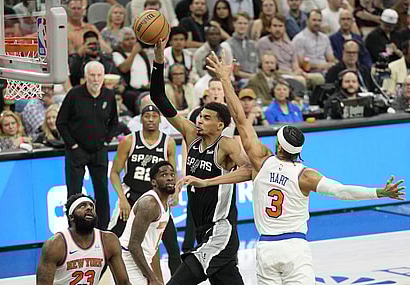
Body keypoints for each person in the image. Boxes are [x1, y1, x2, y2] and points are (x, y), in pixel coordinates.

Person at [193, 51, 405, 284]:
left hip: (266, 247)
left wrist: (225, 79)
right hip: (294, 247)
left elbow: (240, 118)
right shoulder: (306, 176)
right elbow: (341, 191)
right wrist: (379, 192)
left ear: (278, 145)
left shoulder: (261, 161)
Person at [149, 38, 252, 285]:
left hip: (221, 231)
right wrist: (159, 59)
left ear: (220, 124)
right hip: (202, 231)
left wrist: (208, 182)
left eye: (206, 117)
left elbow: (249, 170)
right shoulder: (190, 134)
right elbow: (158, 96)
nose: (199, 120)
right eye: (200, 116)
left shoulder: (226, 145)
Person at [109, 104, 181, 275]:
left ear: (160, 119)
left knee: (173, 247)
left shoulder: (168, 142)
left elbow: (174, 172)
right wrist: (122, 199)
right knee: (111, 241)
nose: (150, 120)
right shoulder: (129, 141)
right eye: (146, 116)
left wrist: (176, 192)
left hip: (156, 199)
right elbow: (114, 173)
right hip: (132, 197)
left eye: (154, 116)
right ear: (140, 119)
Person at [56, 61, 119, 230]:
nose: (96, 79)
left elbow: (115, 123)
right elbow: (61, 122)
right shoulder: (74, 95)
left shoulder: (109, 96)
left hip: (99, 151)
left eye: (99, 75)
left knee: (102, 193)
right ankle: (73, 230)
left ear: (104, 76)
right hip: (77, 152)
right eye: (92, 75)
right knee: (74, 194)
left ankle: (103, 230)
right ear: (85, 77)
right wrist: (73, 146)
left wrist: (106, 141)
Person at [36, 193, 130, 285]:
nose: (89, 208)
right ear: (71, 217)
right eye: (82, 206)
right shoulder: (55, 244)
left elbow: (124, 282)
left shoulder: (108, 240)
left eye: (91, 206)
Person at [119, 161, 176, 285]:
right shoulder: (150, 204)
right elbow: (133, 245)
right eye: (164, 175)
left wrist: (157, 279)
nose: (170, 178)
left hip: (142, 260)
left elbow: (152, 247)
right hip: (130, 261)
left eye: (172, 174)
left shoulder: (165, 204)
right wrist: (153, 279)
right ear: (153, 182)